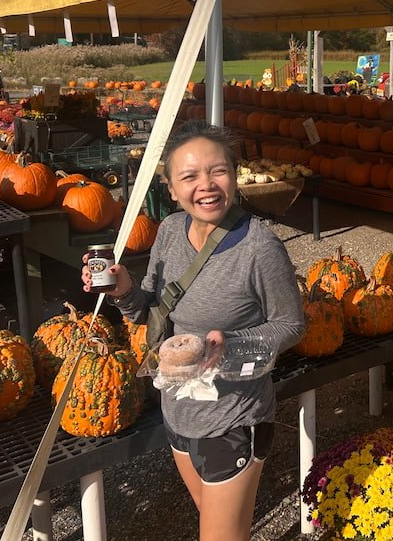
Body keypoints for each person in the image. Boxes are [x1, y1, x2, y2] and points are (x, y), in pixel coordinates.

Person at [81, 120, 305, 541]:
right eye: (189, 176)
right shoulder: (168, 232)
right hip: (178, 413)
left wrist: (233, 344)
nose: (207, 185)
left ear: (235, 175)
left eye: (218, 171)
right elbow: (150, 311)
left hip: (233, 418)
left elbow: (291, 324)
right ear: (170, 188)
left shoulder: (260, 247)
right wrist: (123, 289)